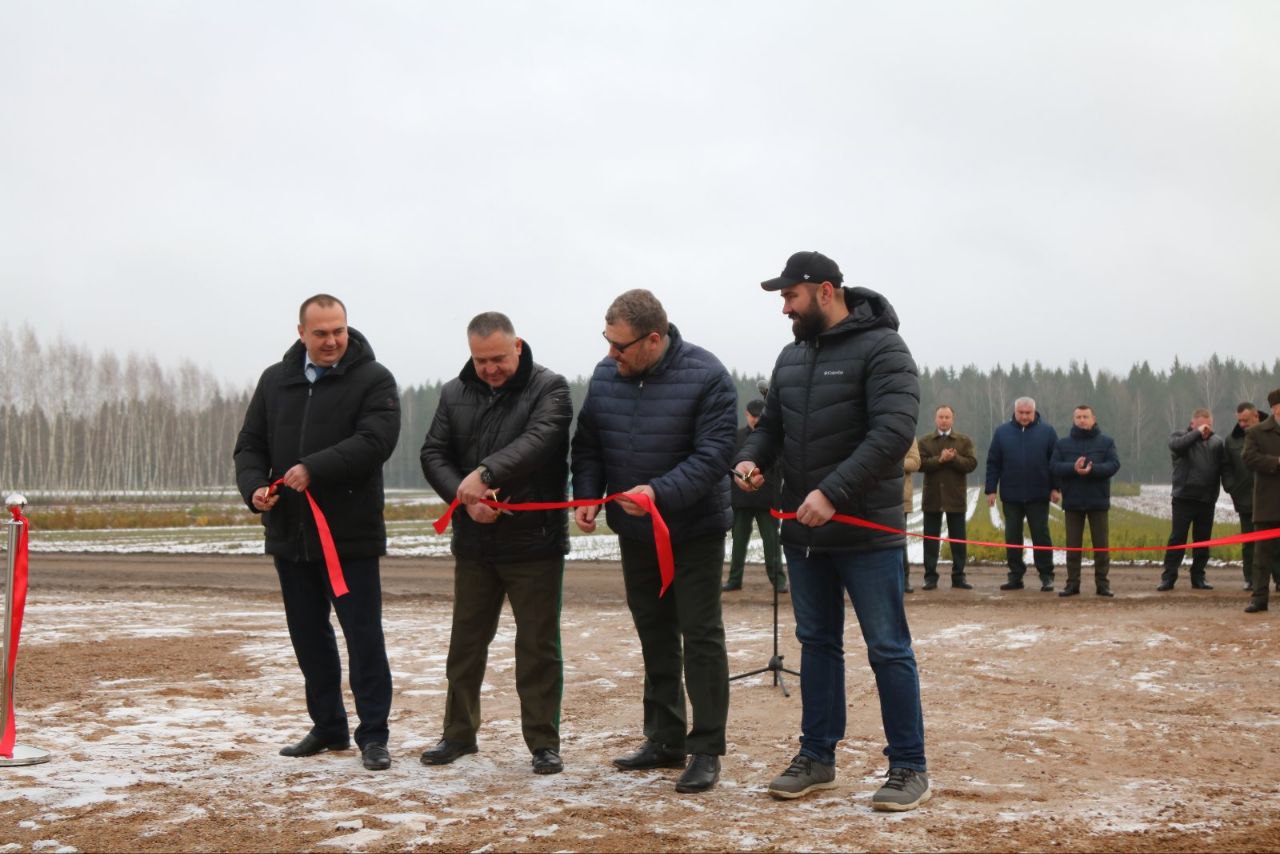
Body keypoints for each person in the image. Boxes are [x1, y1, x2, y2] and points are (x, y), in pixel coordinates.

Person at [735, 250, 928, 812]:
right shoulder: (791, 357)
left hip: (866, 532)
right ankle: (817, 757)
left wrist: (831, 492)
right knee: (816, 645)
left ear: (824, 291)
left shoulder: (885, 348)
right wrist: (750, 462)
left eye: (790, 297)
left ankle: (909, 766)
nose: (785, 309)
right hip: (805, 534)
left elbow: (892, 432)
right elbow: (770, 428)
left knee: (888, 649)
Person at [570, 289, 737, 794]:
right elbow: (590, 444)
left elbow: (713, 457)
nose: (610, 354)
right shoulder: (606, 376)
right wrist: (586, 495)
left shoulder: (708, 377)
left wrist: (658, 493)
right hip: (636, 532)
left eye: (620, 346)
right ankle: (664, 738)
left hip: (695, 529)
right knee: (654, 632)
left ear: (654, 339)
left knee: (701, 635)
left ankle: (705, 747)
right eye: (607, 341)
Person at [233, 294, 399, 771]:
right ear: (301, 332)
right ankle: (328, 726)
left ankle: (374, 735)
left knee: (362, 636)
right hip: (290, 533)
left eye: (339, 331)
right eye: (321, 332)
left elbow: (375, 442)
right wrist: (254, 490)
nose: (331, 341)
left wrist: (313, 468)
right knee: (308, 635)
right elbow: (249, 446)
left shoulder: (375, 379)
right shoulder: (275, 380)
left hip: (350, 535)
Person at [418, 312, 572, 775]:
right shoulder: (453, 392)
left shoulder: (551, 388)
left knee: (538, 647)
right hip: (475, 542)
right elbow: (433, 453)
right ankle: (458, 735)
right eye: (481, 360)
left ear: (518, 346)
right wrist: (465, 500)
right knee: (465, 644)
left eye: (498, 359)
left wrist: (485, 475)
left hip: (535, 544)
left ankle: (543, 742)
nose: (489, 368)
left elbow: (541, 439)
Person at [984, 397, 1060, 592]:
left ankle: (1046, 576)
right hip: (1011, 496)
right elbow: (993, 462)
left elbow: (1055, 463)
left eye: (1028, 413)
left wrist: (1055, 488)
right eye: (1021, 413)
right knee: (1012, 537)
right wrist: (991, 489)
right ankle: (1015, 576)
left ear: (1034, 412)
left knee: (1041, 536)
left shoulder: (1048, 432)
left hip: (1038, 495)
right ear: (1015, 412)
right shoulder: (1002, 433)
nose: (1025, 417)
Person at [1050, 405, 1121, 597]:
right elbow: (1054, 466)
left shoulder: (1106, 442)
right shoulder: (1063, 444)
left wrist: (1093, 469)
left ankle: (1103, 584)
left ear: (1093, 418)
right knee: (1073, 547)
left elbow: (1114, 464)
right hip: (1073, 502)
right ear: (1074, 419)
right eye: (1079, 417)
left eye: (1085, 416)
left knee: (1101, 546)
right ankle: (1072, 584)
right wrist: (1073, 468)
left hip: (1098, 501)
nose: (1082, 420)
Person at [1158, 408, 1228, 591]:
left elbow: (1224, 467)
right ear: (1193, 423)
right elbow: (1177, 446)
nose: (1207, 429)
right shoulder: (1180, 436)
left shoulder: (1217, 442)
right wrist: (1197, 433)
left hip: (1207, 500)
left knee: (1203, 541)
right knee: (1177, 539)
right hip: (1184, 498)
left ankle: (1198, 577)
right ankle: (1168, 577)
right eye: (1203, 425)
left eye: (1209, 425)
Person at [723, 398, 787, 593]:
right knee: (739, 543)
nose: (756, 419)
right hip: (741, 499)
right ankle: (734, 580)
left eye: (760, 416)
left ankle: (779, 581)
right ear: (747, 414)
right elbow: (728, 466)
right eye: (753, 416)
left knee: (772, 543)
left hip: (767, 500)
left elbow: (783, 467)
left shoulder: (774, 439)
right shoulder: (736, 437)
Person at [918, 405, 977, 591]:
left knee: (958, 540)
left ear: (953, 419)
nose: (944, 420)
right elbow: (920, 464)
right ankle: (930, 577)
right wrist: (940, 460)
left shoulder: (963, 441)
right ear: (935, 419)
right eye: (941, 417)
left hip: (955, 497)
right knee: (930, 540)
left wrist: (954, 459)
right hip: (933, 498)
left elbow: (971, 464)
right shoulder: (925, 441)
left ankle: (959, 577)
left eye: (947, 417)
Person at [1224, 402, 1279, 592]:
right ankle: (1250, 579)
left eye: (1245, 420)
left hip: (1271, 498)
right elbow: (1227, 467)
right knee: (1249, 543)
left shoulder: (1272, 433)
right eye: (1239, 420)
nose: (1242, 424)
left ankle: (1278, 578)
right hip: (1245, 499)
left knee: (1275, 543)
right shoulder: (1231, 440)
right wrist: (1232, 488)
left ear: (1256, 416)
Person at [1243, 389, 1280, 613]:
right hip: (1268, 501)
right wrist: (1276, 462)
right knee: (1262, 554)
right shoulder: (1257, 432)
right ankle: (1259, 598)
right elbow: (1248, 457)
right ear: (1276, 408)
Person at [901, 438, 921, 593]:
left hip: (900, 499)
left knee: (900, 542)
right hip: (874, 498)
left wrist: (893, 462)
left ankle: (904, 579)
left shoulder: (907, 434)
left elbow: (915, 462)